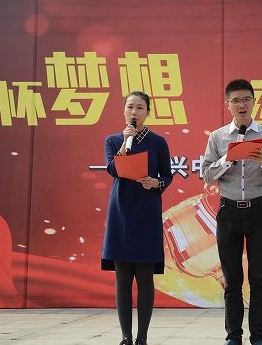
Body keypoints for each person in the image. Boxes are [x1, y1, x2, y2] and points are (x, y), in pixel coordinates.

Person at [202, 79, 262, 345]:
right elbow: (206, 175)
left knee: (259, 278)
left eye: (246, 99)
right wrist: (228, 159)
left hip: (258, 211)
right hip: (228, 211)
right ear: (227, 104)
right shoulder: (217, 137)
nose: (241, 105)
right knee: (232, 279)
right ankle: (233, 337)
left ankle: (258, 337)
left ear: (254, 102)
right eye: (235, 100)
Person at [101, 91, 173, 345]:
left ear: (147, 112)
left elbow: (167, 175)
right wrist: (125, 143)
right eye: (130, 107)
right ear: (124, 111)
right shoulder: (113, 140)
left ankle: (142, 337)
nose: (135, 112)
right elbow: (113, 169)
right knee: (122, 278)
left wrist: (155, 182)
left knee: (144, 277)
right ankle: (125, 337)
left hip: (146, 212)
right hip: (121, 212)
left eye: (140, 107)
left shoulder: (158, 142)